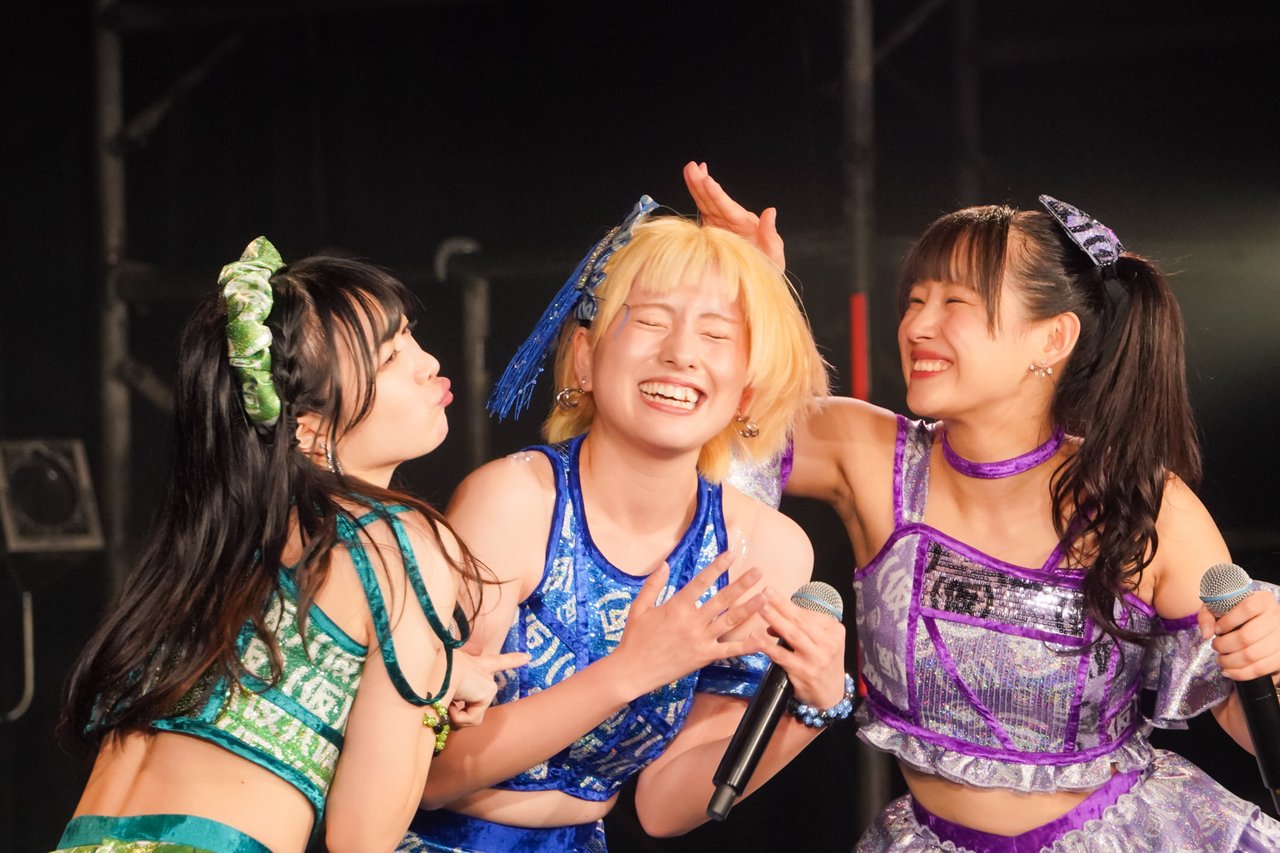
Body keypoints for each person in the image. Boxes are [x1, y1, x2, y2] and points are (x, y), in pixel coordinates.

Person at [686, 163, 1280, 850]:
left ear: (1051, 339)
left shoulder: (1142, 502)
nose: (917, 324)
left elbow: (1241, 710)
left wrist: (1270, 657)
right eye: (915, 300)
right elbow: (711, 429)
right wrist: (747, 292)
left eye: (955, 303)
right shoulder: (869, 455)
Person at [398, 197, 849, 852]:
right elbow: (428, 775)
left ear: (746, 392)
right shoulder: (515, 502)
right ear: (585, 357)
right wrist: (629, 670)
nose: (681, 353)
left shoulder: (765, 550)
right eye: (652, 321)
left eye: (716, 336)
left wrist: (812, 708)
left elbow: (664, 806)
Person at [55, 238, 522, 853]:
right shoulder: (396, 543)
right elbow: (363, 839)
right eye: (389, 357)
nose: (427, 362)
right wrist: (432, 690)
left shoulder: (216, 550)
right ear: (308, 429)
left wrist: (438, 669)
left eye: (409, 335)